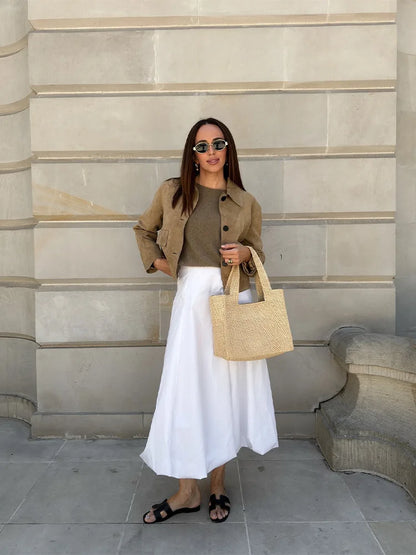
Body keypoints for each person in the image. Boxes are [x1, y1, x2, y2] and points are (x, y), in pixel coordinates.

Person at [133, 117, 278, 524]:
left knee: (224, 392)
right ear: (192, 154)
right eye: (202, 146)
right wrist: (167, 266)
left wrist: (246, 254)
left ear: (228, 149)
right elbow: (143, 231)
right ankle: (186, 492)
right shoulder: (172, 192)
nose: (211, 151)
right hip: (192, 302)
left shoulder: (246, 201)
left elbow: (258, 253)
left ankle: (217, 486)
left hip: (233, 298)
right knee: (187, 390)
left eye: (218, 143)